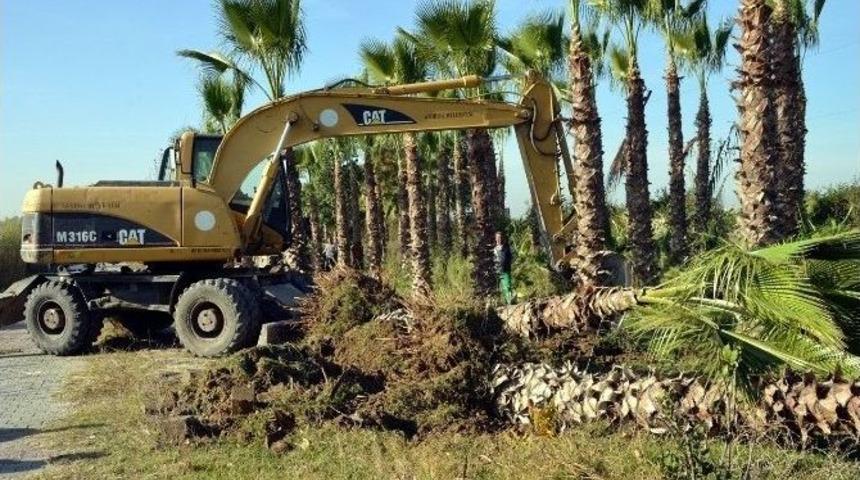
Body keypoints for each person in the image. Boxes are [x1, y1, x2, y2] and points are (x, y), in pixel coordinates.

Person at [493, 231, 514, 304]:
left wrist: (509, 264)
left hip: (506, 270)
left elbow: (511, 257)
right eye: (498, 237)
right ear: (495, 239)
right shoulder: (494, 250)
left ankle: (510, 302)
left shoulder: (507, 248)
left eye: (501, 237)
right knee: (500, 288)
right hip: (497, 271)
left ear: (503, 238)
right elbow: (493, 260)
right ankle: (503, 303)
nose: (499, 239)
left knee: (507, 286)